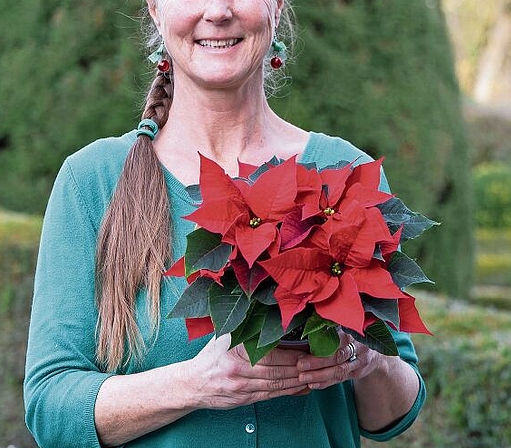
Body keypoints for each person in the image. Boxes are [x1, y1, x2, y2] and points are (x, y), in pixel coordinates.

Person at [23, 1, 426, 447]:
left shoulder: (346, 172)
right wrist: (196, 384)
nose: (216, 11)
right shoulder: (93, 181)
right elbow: (50, 406)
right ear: (156, 10)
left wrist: (371, 361)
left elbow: (394, 412)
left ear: (275, 6)